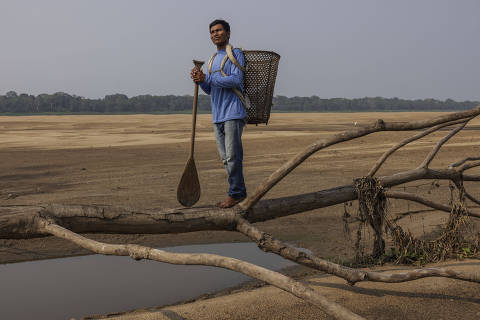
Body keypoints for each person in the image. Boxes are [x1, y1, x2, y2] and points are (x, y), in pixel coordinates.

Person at [190, 19, 247, 208]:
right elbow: (211, 89)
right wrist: (201, 81)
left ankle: (236, 193)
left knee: (233, 156)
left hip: (233, 112)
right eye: (212, 31)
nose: (215, 34)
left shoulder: (235, 53)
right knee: (226, 158)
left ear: (228, 33)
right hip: (218, 114)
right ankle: (238, 192)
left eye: (219, 30)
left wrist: (209, 78)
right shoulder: (212, 59)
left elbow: (235, 80)